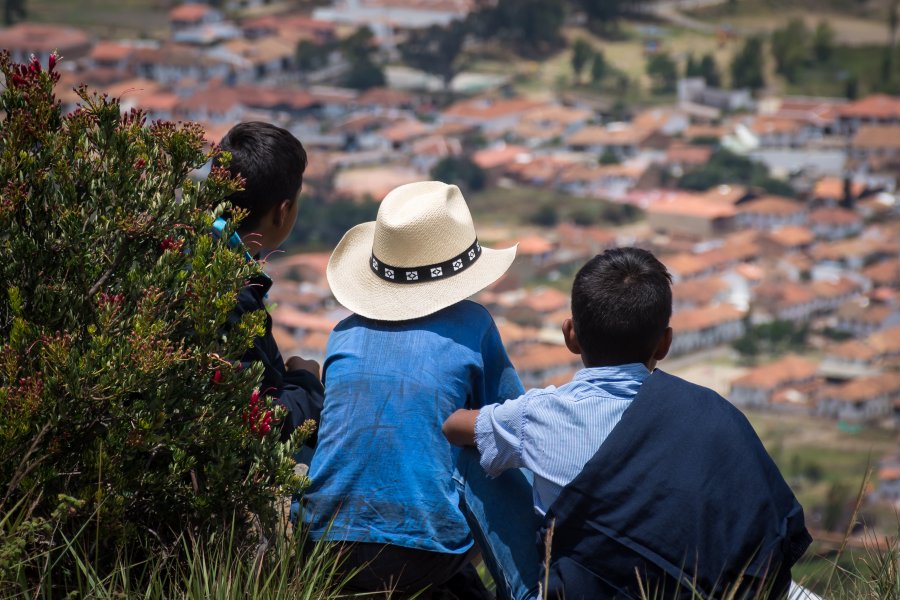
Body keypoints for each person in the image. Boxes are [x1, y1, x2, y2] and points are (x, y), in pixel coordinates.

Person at [443, 247, 812, 600]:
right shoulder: (714, 412)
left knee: (479, 458)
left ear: (570, 335)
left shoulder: (539, 415)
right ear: (665, 343)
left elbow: (453, 427)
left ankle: (433, 572)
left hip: (584, 591)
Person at [300, 181, 540, 599]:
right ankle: (527, 592)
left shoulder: (343, 334)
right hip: (425, 555)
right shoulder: (474, 326)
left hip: (324, 548)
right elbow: (513, 425)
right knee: (485, 439)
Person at [216, 121, 323, 442]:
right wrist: (306, 381)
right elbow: (262, 424)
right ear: (283, 211)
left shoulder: (175, 244)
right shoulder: (230, 290)